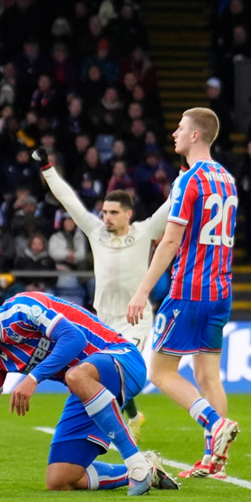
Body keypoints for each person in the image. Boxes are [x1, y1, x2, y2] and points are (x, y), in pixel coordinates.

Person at [0, 293, 178, 495]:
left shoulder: (22, 309)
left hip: (122, 358)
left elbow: (75, 338)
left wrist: (33, 378)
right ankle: (145, 468)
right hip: (85, 389)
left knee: (75, 376)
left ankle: (134, 463)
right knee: (60, 479)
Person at [127, 107, 239, 479]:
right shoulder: (227, 179)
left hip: (190, 289)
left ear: (196, 135)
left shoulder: (189, 181)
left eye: (180, 128)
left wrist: (142, 291)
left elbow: (171, 239)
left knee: (160, 372)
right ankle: (215, 462)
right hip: (220, 289)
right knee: (208, 374)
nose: (174, 133)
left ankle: (214, 423)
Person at [33, 146, 170, 444]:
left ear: (128, 214)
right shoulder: (96, 232)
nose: (105, 217)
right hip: (103, 319)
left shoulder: (145, 232)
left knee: (118, 371)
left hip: (135, 317)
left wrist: (186, 174)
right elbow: (69, 201)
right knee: (103, 374)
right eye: (104, 212)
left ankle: (108, 433)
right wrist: (47, 168)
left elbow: (172, 205)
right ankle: (133, 417)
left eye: (112, 212)